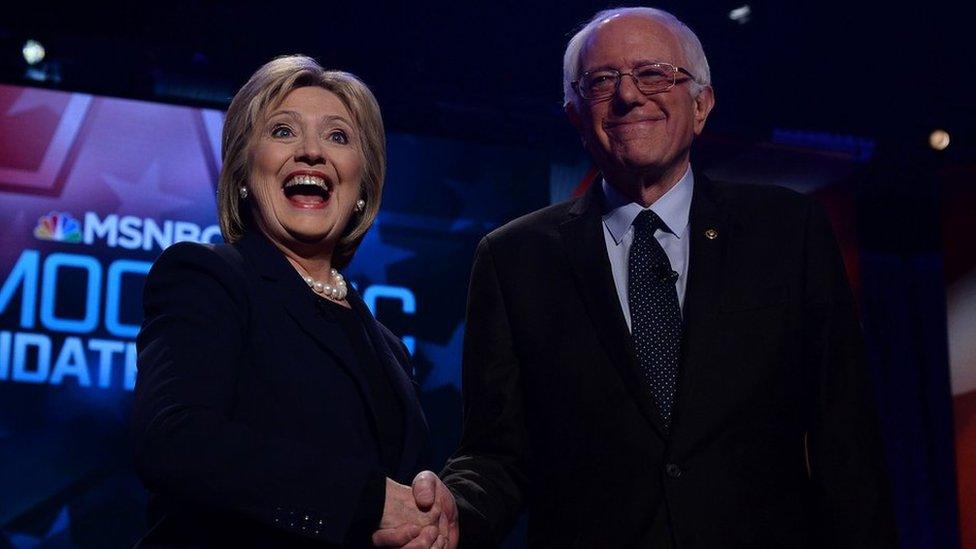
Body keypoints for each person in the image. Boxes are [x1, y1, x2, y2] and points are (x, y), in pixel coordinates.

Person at [400, 7, 896, 548]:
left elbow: (846, 441)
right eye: (601, 81)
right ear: (573, 112)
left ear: (702, 104)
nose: (629, 96)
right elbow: (495, 455)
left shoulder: (786, 231)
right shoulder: (513, 259)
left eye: (654, 73)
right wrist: (454, 512)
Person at [132, 55, 449, 548]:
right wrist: (367, 499)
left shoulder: (388, 347)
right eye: (282, 131)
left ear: (362, 185)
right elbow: (175, 441)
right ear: (242, 171)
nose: (312, 153)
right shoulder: (207, 276)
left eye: (338, 136)